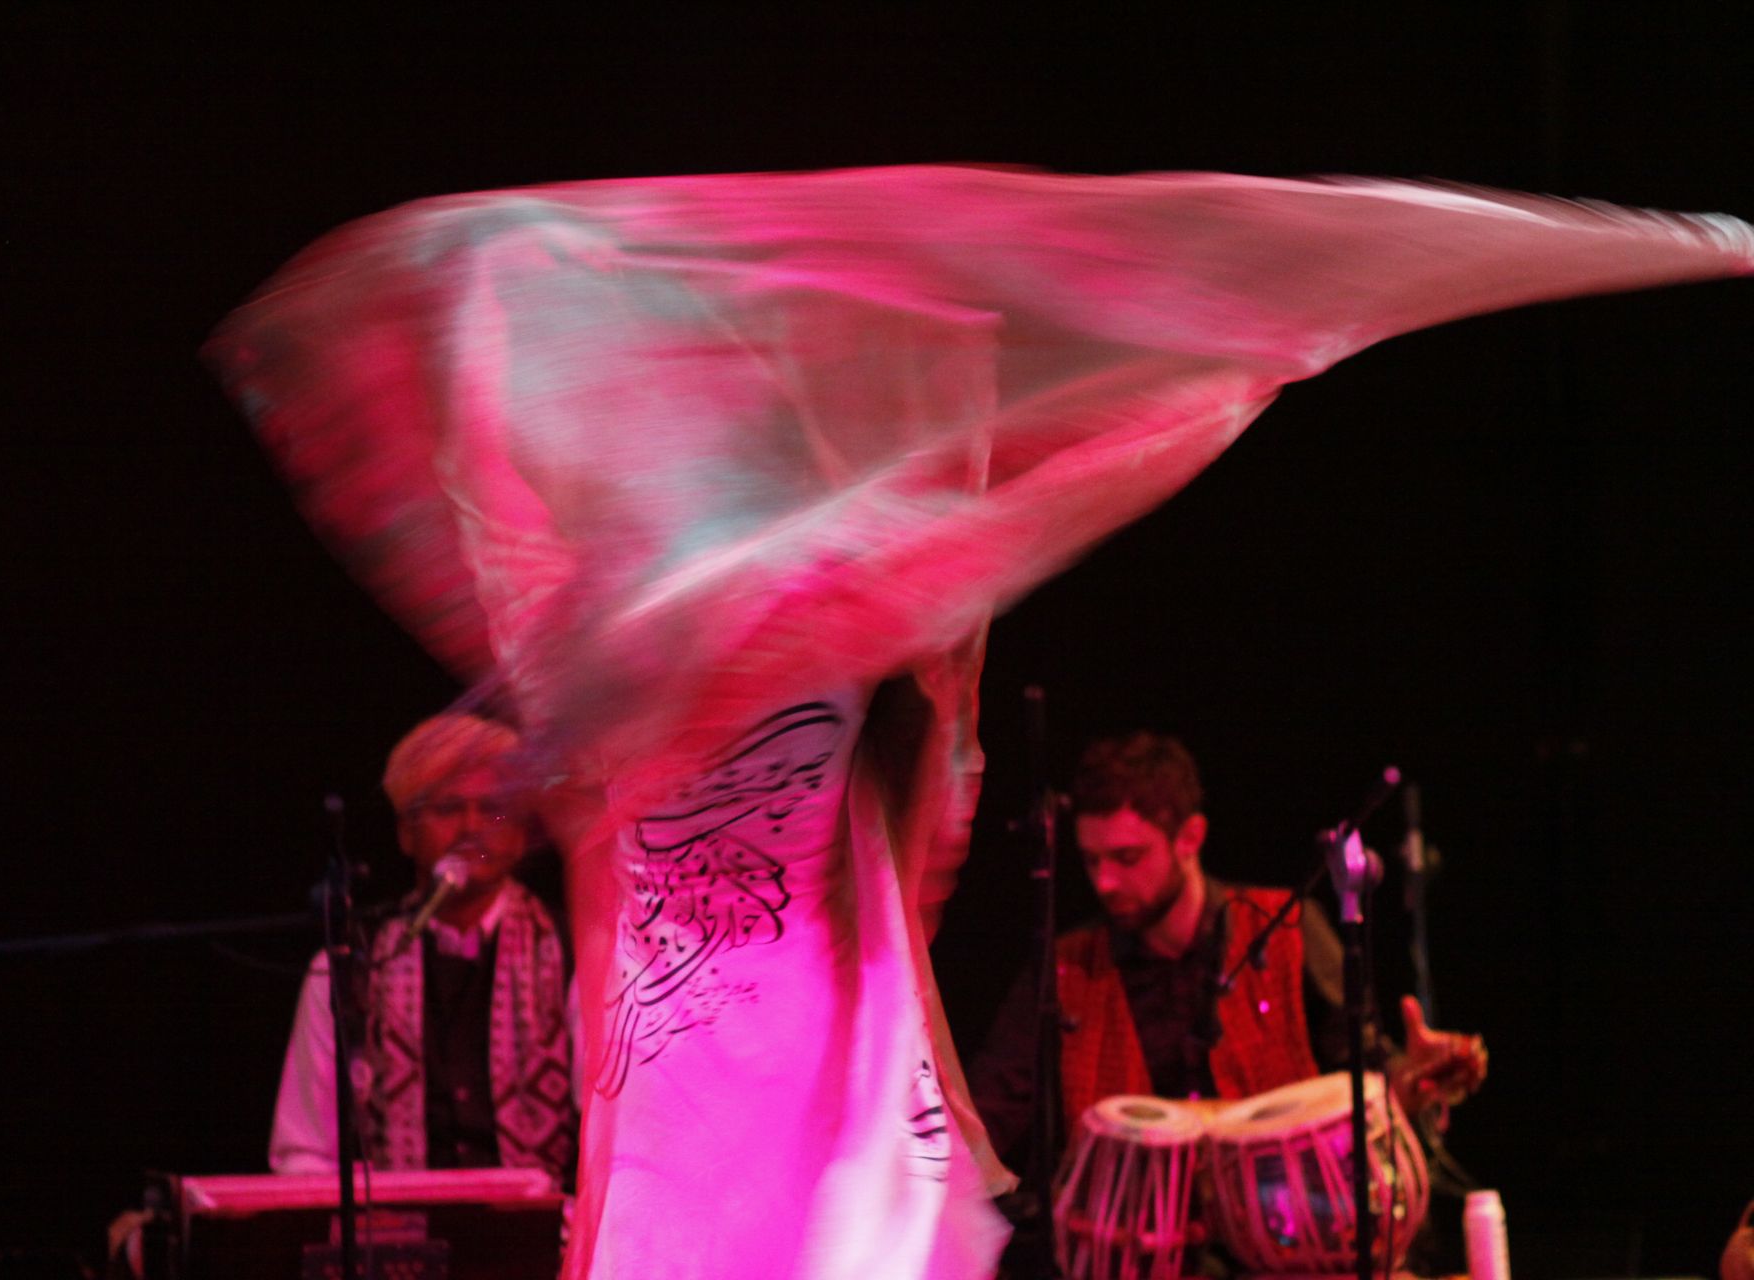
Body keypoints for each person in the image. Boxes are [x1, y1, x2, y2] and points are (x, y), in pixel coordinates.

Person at [206, 165, 1751, 1278]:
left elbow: (1000, 518)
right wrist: (1231, 371)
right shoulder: (648, 615)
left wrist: (1242, 362)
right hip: (702, 1108)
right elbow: (489, 433)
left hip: (792, 1091)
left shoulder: (717, 603)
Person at [971, 731, 1487, 1161]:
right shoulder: (1066, 969)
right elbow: (989, 1114)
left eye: (1127, 858)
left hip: (1278, 1245)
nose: (1104, 881)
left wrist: (1413, 1075)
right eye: (1091, 860)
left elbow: (1363, 1074)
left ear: (1190, 838)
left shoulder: (1285, 927)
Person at [270, 711, 578, 1182]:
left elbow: (619, 1141)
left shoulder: (576, 959)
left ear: (520, 834)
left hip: (548, 1245)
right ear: (405, 833)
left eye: (493, 808)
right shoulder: (348, 965)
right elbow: (305, 1154)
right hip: (397, 1244)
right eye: (448, 808)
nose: (471, 827)